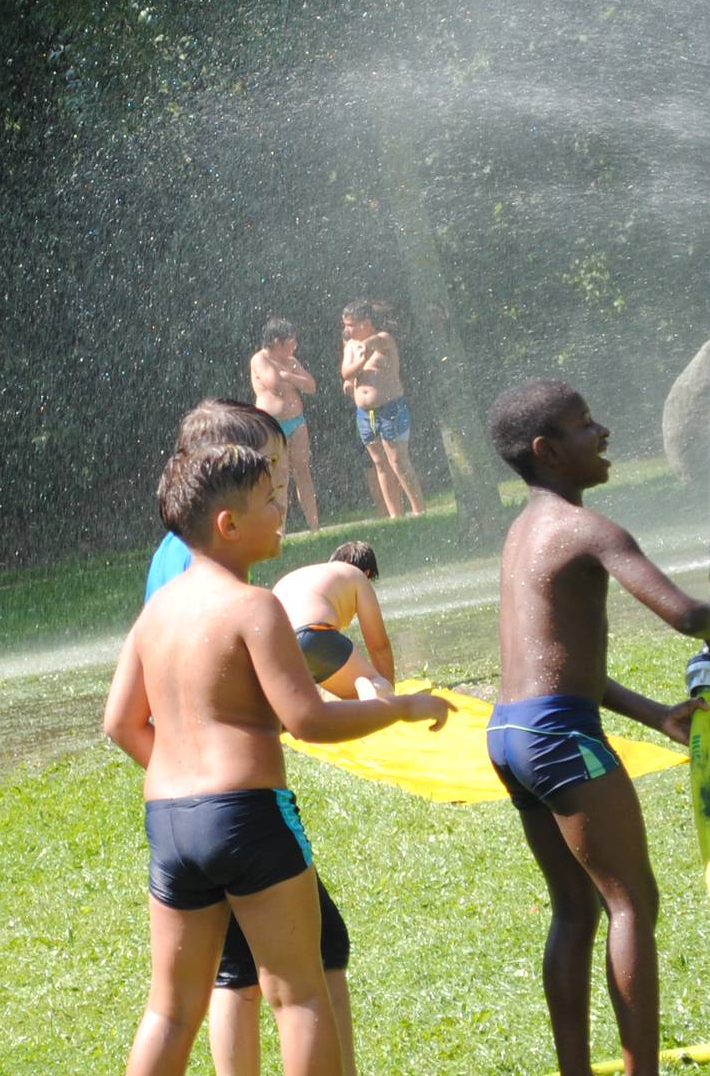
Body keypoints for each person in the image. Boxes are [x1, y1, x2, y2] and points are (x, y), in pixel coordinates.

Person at [107, 443, 452, 1076]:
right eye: (270, 501)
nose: (281, 512)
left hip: (171, 822)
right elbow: (309, 719)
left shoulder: (154, 614)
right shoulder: (255, 606)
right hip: (248, 817)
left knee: (170, 1011)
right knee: (298, 994)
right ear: (227, 524)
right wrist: (400, 708)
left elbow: (120, 723)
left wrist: (190, 785)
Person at [483, 381, 710, 1076]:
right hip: (558, 738)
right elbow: (689, 618)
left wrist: (659, 715)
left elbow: (565, 667)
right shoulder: (589, 530)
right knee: (633, 902)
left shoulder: (523, 533)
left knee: (574, 908)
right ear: (547, 451)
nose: (602, 432)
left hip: (510, 733)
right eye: (584, 425)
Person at [144, 400, 287, 603]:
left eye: (282, 462)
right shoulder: (194, 555)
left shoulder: (207, 547)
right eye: (271, 462)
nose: (281, 480)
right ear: (226, 464)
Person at [271, 542, 394, 702]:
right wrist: (388, 687)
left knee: (312, 703)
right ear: (367, 573)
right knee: (374, 688)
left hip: (278, 648)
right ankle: (371, 686)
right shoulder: (356, 575)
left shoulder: (304, 575)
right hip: (314, 635)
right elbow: (379, 646)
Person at [338, 302, 424, 518]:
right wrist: (354, 369)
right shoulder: (350, 346)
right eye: (345, 325)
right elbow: (346, 373)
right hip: (366, 414)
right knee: (380, 464)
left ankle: (419, 511)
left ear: (366, 323)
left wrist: (359, 357)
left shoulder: (384, 339)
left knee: (398, 461)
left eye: (350, 325)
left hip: (390, 408)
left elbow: (369, 347)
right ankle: (396, 516)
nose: (346, 330)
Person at [248, 319, 322, 534]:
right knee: (279, 476)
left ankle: (315, 527)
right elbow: (275, 386)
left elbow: (311, 386)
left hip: (297, 422)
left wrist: (288, 375)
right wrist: (292, 379)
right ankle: (280, 530)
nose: (295, 346)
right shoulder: (260, 359)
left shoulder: (290, 361)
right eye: (291, 341)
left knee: (303, 471)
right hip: (273, 424)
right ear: (277, 342)